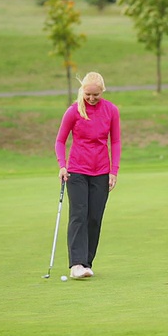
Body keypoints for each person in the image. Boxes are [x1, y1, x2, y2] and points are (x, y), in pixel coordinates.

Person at [54, 72, 121, 279]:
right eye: (88, 94)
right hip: (76, 171)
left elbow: (116, 142)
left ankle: (86, 263)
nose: (91, 98)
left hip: (101, 171)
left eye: (95, 95)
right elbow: (60, 141)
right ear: (82, 90)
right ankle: (76, 264)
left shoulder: (111, 110)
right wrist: (62, 165)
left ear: (102, 91)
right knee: (79, 215)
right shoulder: (73, 111)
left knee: (94, 217)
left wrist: (113, 171)